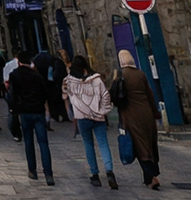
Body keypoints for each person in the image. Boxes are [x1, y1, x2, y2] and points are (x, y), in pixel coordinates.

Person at [65, 54, 118, 188]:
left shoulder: (70, 82)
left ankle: (94, 174)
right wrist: (102, 110)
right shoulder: (97, 80)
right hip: (98, 117)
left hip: (82, 117)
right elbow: (105, 96)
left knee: (88, 144)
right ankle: (109, 171)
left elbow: (66, 94)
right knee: (103, 143)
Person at [115, 49, 162, 189]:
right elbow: (150, 95)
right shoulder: (140, 74)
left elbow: (115, 97)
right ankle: (149, 178)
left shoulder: (120, 75)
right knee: (148, 144)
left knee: (139, 146)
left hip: (130, 115)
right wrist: (156, 112)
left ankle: (152, 177)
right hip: (146, 113)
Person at [11, 48, 55, 185]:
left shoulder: (15, 75)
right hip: (38, 111)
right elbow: (45, 93)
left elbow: (13, 95)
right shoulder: (36, 75)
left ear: (18, 61)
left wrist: (16, 109)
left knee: (28, 142)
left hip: (25, 112)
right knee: (43, 143)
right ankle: (48, 174)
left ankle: (32, 170)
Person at [37, 50, 71, 123]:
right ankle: (63, 115)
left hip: (55, 85)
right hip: (57, 84)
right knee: (60, 100)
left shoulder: (53, 63)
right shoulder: (56, 62)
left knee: (56, 101)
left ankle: (57, 115)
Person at [2, 49, 23, 140]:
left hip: (12, 92)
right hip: (24, 92)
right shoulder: (28, 65)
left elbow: (6, 82)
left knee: (12, 113)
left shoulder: (8, 65)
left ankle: (16, 133)